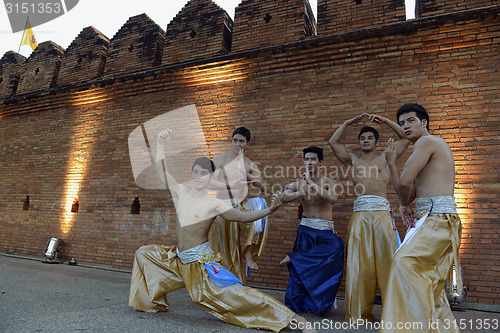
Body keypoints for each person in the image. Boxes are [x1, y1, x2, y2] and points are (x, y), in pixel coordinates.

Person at [129, 129, 317, 333]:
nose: (199, 177)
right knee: (144, 253)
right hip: (177, 259)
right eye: (196, 173)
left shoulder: (214, 204)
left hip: (200, 265)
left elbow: (242, 217)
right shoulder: (181, 192)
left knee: (234, 295)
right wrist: (160, 144)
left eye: (204, 174)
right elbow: (161, 171)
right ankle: (151, 302)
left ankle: (294, 320)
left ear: (211, 178)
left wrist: (269, 209)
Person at [380, 103, 462, 332]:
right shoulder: (422, 148)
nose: (405, 126)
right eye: (401, 123)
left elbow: (405, 185)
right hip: (433, 219)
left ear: (424, 122)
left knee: (403, 264)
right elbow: (407, 191)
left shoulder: (427, 142)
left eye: (410, 121)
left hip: (439, 218)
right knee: (427, 279)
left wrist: (404, 203)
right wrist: (391, 165)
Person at [328, 113, 409, 322]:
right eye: (362, 138)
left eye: (370, 138)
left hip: (382, 214)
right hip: (360, 216)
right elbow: (333, 142)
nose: (365, 140)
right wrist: (347, 122)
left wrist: (386, 120)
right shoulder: (352, 160)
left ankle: (395, 314)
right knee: (359, 265)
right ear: (358, 142)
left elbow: (405, 138)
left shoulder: (386, 157)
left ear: (376, 142)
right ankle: (359, 314)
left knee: (388, 262)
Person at [280, 146, 344, 316]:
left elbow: (331, 198)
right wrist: (302, 190)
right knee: (302, 274)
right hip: (306, 229)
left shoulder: (331, 182)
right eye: (306, 159)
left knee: (336, 249)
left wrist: (312, 183)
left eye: (313, 159)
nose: (309, 162)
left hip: (325, 231)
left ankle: (295, 258)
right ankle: (300, 303)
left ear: (320, 162)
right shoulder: (297, 184)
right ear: (303, 161)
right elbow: (283, 197)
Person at [209, 126, 268, 283]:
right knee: (220, 248)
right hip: (221, 208)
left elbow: (263, 187)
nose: (238, 144)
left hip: (240, 208)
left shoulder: (249, 164)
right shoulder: (220, 159)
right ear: (231, 142)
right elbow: (209, 183)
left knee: (260, 204)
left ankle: (247, 253)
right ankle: (217, 284)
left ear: (247, 144)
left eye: (242, 141)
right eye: (235, 140)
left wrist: (245, 172)